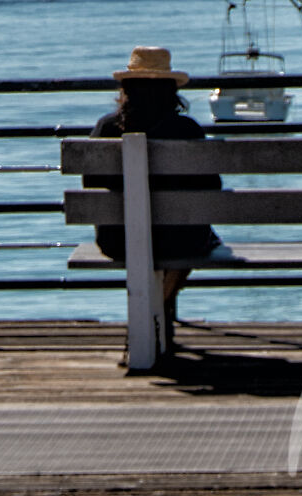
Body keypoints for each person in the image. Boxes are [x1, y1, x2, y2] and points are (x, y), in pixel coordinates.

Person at [85, 47, 224, 356]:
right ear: (171, 89)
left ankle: (146, 320)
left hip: (117, 240)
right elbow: (212, 188)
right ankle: (154, 312)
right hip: (181, 240)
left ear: (126, 89)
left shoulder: (107, 129)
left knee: (150, 239)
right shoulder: (187, 130)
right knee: (195, 238)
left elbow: (90, 185)